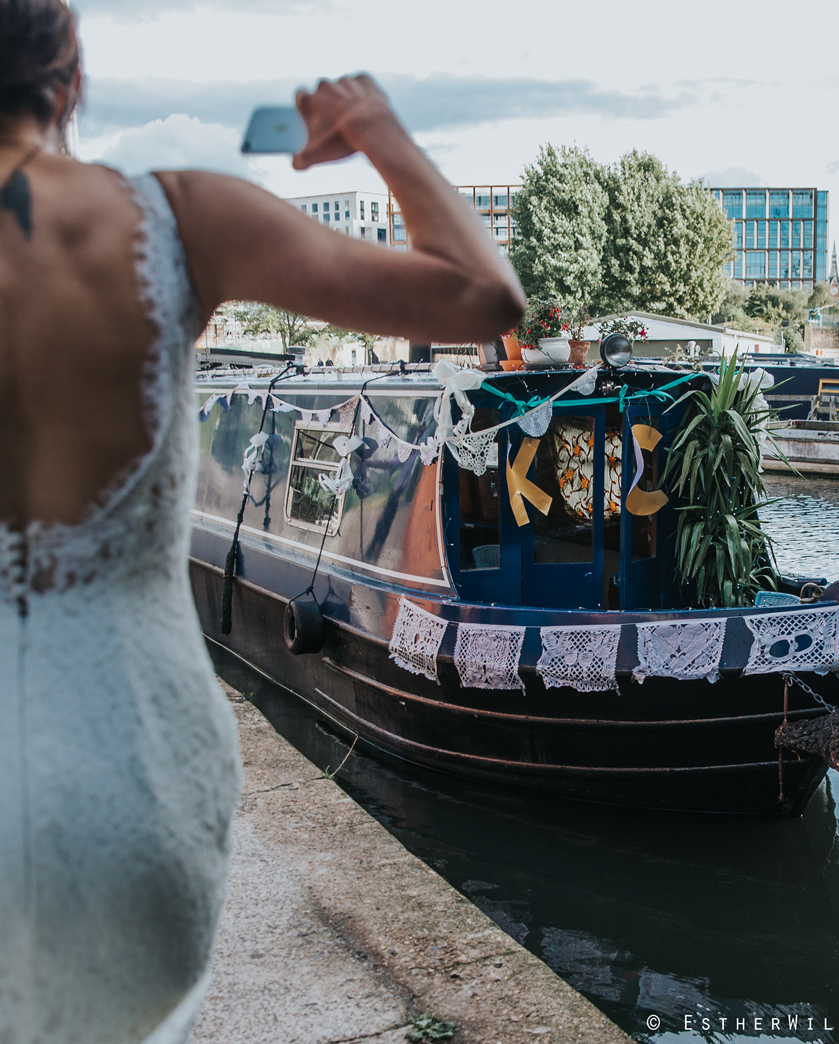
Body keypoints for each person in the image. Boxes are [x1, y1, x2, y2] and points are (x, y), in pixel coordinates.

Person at [0, 0, 526, 1039]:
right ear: (68, 86)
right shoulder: (176, 217)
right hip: (130, 781)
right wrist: (374, 125)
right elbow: (481, 296)